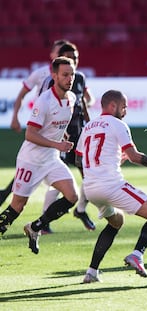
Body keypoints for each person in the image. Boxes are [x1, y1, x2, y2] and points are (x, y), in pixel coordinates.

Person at [75, 90, 147, 283]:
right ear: (113, 106)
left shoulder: (88, 126)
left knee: (116, 222)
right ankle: (137, 254)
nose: (125, 111)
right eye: (123, 107)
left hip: (91, 189)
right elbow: (135, 157)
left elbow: (78, 159)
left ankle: (91, 272)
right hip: (111, 185)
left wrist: (95, 173)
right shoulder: (118, 124)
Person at [0, 57, 79, 255]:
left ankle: (35, 228)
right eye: (65, 75)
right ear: (54, 76)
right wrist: (57, 144)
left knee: (72, 196)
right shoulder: (44, 101)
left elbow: (56, 125)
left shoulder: (71, 98)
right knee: (18, 206)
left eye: (72, 74)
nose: (70, 79)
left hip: (51, 159)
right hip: (31, 160)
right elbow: (30, 134)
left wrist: (63, 136)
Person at [0, 39, 69, 207]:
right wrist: (15, 116)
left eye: (64, 54)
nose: (61, 56)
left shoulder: (69, 75)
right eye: (58, 53)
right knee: (35, 160)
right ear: (52, 54)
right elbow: (22, 93)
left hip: (56, 125)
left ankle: (53, 212)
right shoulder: (40, 73)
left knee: (53, 165)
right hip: (40, 122)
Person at [39, 42, 96, 233]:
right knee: (59, 180)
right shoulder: (51, 81)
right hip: (59, 137)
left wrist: (90, 124)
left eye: (77, 58)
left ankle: (80, 210)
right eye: (71, 58)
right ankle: (45, 218)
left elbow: (82, 103)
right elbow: (44, 104)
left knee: (89, 176)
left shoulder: (79, 78)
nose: (75, 61)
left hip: (79, 136)